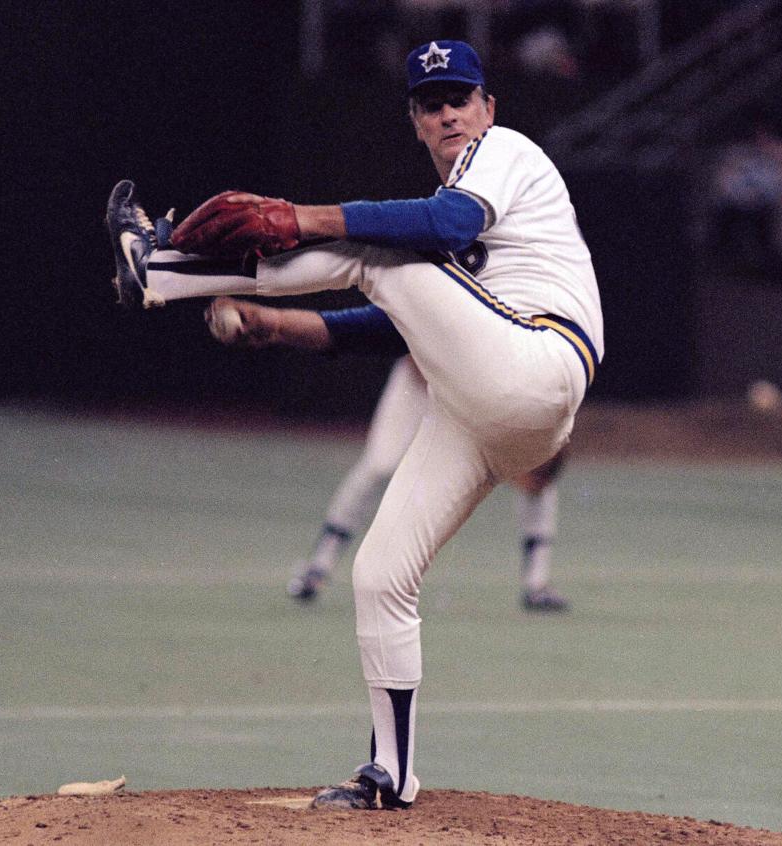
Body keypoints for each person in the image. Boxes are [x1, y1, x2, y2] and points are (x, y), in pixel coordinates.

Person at [104, 39, 602, 812]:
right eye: (431, 105)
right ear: (414, 121)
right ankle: (391, 775)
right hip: (482, 411)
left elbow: (439, 224)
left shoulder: (505, 152)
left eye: (460, 99)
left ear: (489, 107)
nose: (449, 115)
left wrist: (298, 218)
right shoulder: (449, 226)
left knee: (381, 252)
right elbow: (391, 325)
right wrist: (277, 326)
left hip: (540, 359)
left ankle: (162, 272)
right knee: (380, 575)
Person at [202, 295, 571, 612]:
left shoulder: (526, 306)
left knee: (535, 463)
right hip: (420, 381)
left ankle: (536, 584)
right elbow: (417, 351)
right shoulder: (458, 284)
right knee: (380, 466)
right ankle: (318, 567)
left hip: (478, 393)